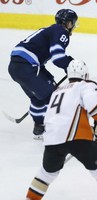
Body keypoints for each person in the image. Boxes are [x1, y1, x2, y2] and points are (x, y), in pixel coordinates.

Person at [26, 60, 97, 200]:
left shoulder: (57, 91)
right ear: (85, 74)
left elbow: (59, 119)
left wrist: (90, 128)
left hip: (52, 139)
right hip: (77, 138)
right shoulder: (86, 85)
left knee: (46, 174)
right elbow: (92, 103)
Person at [8, 9, 78, 139]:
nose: (73, 26)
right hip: (28, 67)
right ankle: (54, 129)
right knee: (53, 96)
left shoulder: (50, 30)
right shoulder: (61, 32)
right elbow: (57, 57)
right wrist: (71, 66)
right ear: (68, 23)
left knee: (38, 98)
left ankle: (39, 127)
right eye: (72, 23)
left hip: (16, 67)